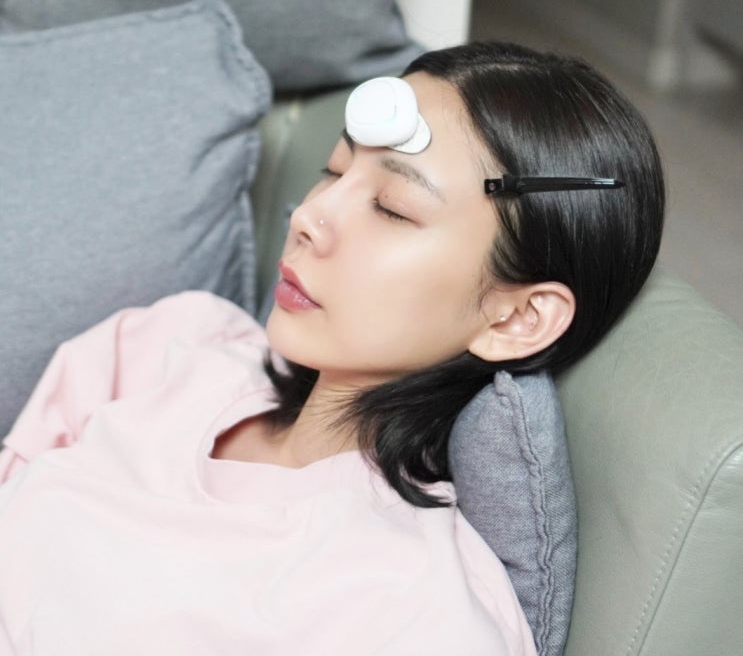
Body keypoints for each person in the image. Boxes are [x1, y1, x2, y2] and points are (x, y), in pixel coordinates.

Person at [0, 42, 664, 655]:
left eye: (393, 208)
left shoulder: (417, 609)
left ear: (517, 318)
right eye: (334, 170)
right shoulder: (167, 346)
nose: (307, 217)